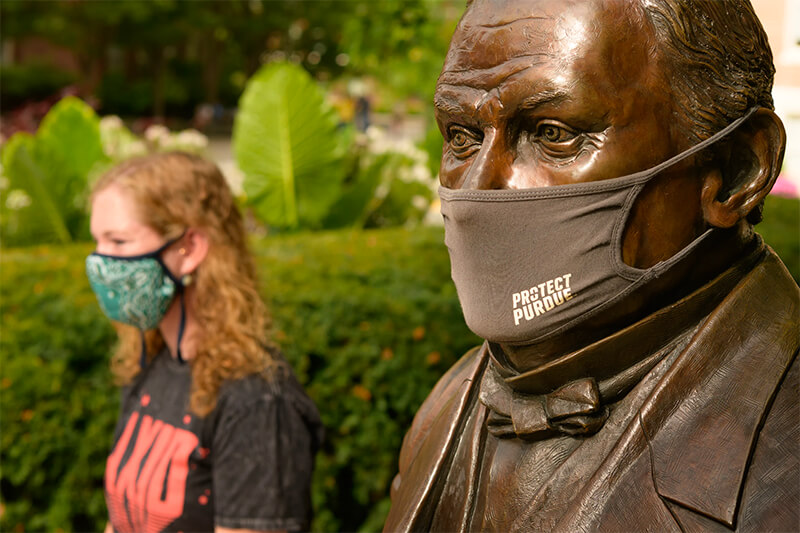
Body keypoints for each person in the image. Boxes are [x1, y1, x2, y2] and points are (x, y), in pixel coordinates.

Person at [384, 0, 799, 531]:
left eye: (555, 133)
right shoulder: (452, 399)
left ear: (738, 168)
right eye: (462, 137)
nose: (478, 187)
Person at [86, 151, 323, 533]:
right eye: (97, 241)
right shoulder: (149, 362)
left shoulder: (257, 400)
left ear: (191, 248)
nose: (99, 261)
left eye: (118, 241)